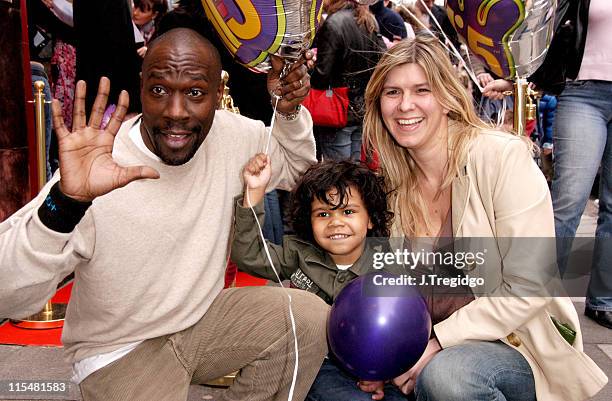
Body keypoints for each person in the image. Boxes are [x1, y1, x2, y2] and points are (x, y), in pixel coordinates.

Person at [0, 27, 329, 401]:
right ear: (141, 87)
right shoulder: (100, 165)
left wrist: (287, 112)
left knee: (305, 318)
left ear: (217, 94)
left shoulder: (232, 135)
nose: (176, 113)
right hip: (120, 352)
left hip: (200, 323)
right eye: (159, 91)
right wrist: (65, 203)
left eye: (194, 93)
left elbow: (297, 170)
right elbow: (6, 295)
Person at [361, 35, 607, 401]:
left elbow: (529, 284)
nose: (405, 105)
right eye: (392, 92)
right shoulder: (393, 184)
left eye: (421, 89)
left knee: (448, 378)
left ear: (446, 97)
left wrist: (438, 344)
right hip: (430, 342)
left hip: (512, 344)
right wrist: (383, 358)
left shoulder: (499, 157)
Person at [231, 157, 473, 401]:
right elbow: (249, 255)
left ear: (369, 219)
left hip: (384, 369)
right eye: (323, 213)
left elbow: (406, 325)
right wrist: (254, 193)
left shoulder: (390, 263)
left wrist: (382, 371)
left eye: (348, 211)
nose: (336, 222)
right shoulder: (298, 254)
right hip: (319, 365)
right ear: (309, 221)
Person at [483, 0, 612, 329]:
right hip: (584, 94)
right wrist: (517, 80)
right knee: (568, 202)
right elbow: (544, 33)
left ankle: (603, 300)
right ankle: (533, 298)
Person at [310, 0, 385, 161]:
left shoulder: (334, 23)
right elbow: (382, 61)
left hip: (338, 108)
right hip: (362, 107)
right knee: (354, 168)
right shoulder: (369, 21)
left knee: (339, 172)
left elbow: (321, 75)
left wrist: (311, 70)